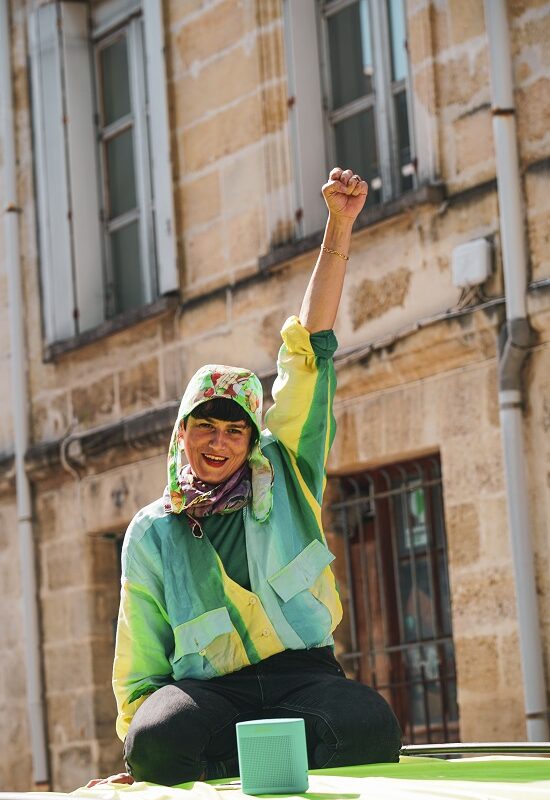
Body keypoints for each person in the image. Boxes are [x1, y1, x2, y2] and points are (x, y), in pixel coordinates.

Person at [87, 167, 401, 789]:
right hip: (211, 696)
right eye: (206, 427)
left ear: (252, 440)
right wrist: (142, 757)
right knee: (156, 739)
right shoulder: (153, 532)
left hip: (303, 680)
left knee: (370, 723)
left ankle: (241, 762)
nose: (220, 444)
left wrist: (338, 227)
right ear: (182, 433)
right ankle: (227, 756)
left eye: (236, 432)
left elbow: (308, 353)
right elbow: (140, 654)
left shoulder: (290, 474)